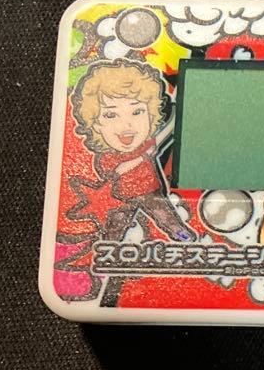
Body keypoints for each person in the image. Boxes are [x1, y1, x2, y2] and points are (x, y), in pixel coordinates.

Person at [71, 60, 194, 242]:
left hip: (150, 192)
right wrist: (144, 156)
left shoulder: (145, 144)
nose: (127, 125)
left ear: (151, 115)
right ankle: (109, 248)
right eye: (111, 115)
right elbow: (119, 170)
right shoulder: (108, 155)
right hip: (121, 197)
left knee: (165, 215)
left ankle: (181, 234)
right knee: (116, 226)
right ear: (95, 124)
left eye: (137, 112)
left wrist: (177, 111)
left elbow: (163, 135)